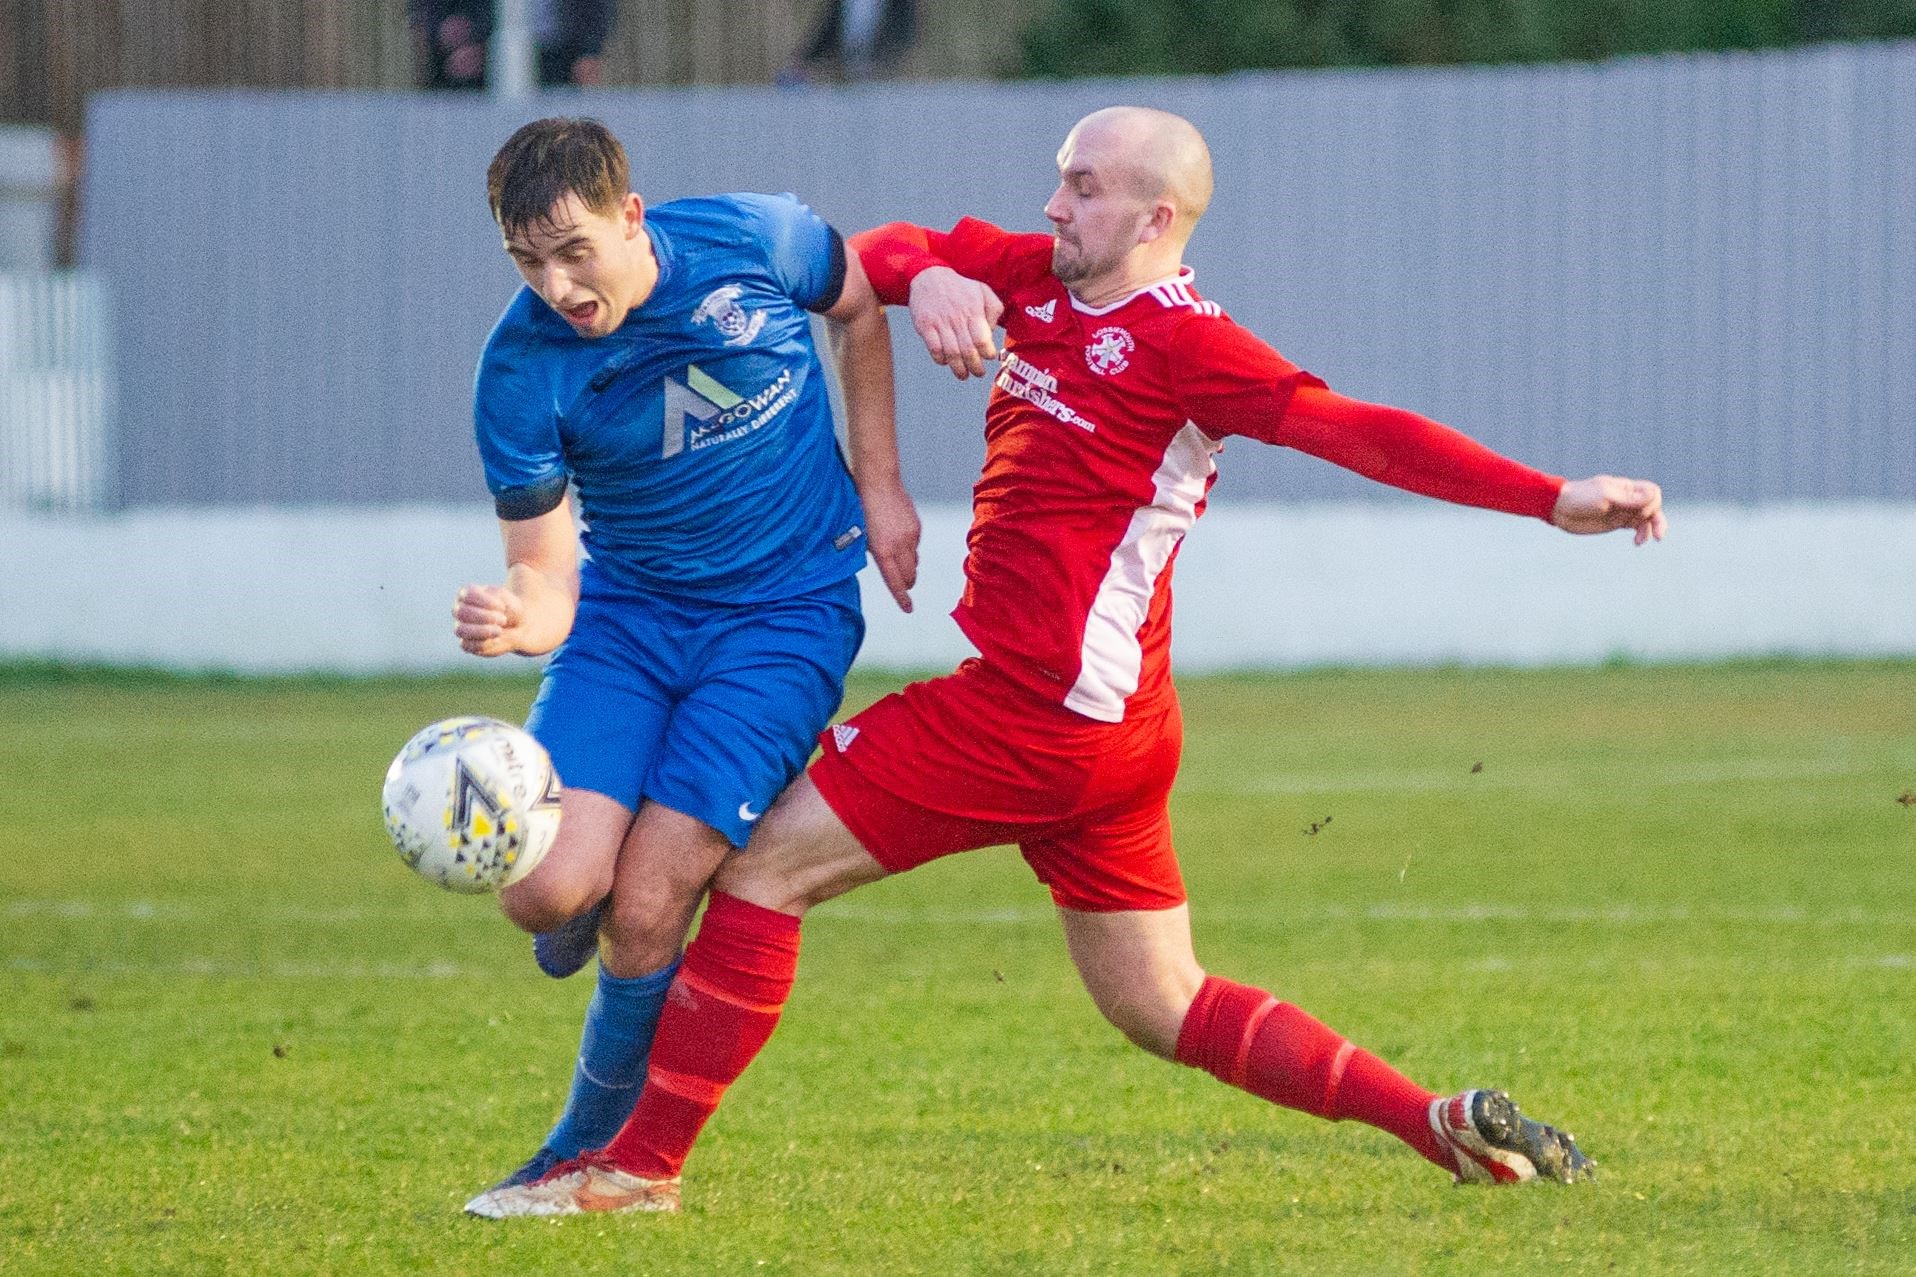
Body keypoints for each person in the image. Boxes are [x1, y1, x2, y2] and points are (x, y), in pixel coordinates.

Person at [468, 105, 1665, 1218]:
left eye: (1082, 190)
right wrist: (933, 272)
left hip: (1034, 717)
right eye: (1054, 181)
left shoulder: (1192, 348)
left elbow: (1357, 431)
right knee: (1164, 1001)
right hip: (1118, 730)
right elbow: (861, 258)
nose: (1052, 207)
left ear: (1153, 219)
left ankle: (636, 1166)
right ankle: (1434, 1119)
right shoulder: (1029, 277)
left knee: (755, 874)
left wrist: (1547, 496)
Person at [450, 116, 919, 1208]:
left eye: (574, 250)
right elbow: (545, 566)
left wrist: (883, 483)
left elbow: (856, 308)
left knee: (653, 893)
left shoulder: (759, 238)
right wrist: (527, 614)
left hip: (782, 618)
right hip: (625, 619)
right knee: (546, 888)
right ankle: (583, 898)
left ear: (629, 215)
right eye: (528, 261)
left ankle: (583, 1148)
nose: (558, 283)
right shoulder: (519, 370)